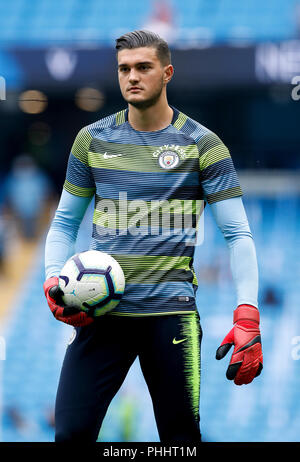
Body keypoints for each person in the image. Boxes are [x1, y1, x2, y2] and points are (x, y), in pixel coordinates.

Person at [43, 30, 263, 443]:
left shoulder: (203, 144)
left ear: (167, 73)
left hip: (172, 318)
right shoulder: (91, 140)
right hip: (102, 317)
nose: (132, 76)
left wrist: (247, 313)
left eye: (143, 67)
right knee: (70, 434)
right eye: (124, 68)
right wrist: (54, 278)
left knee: (180, 441)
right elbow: (63, 224)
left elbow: (238, 234)